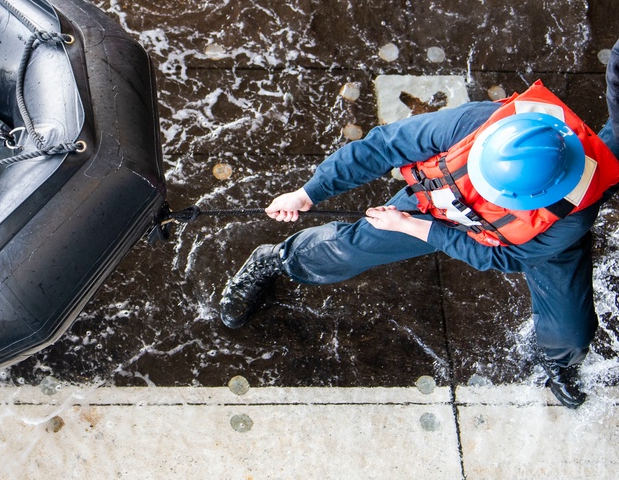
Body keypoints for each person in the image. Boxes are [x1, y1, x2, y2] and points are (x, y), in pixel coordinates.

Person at [219, 80, 619, 409]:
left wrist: (420, 230)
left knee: (571, 331)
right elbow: (382, 146)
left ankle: (559, 362)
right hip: (445, 200)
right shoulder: (478, 122)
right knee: (355, 246)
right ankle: (274, 261)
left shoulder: (574, 212)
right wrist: (309, 193)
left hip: (529, 236)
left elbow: (506, 254)